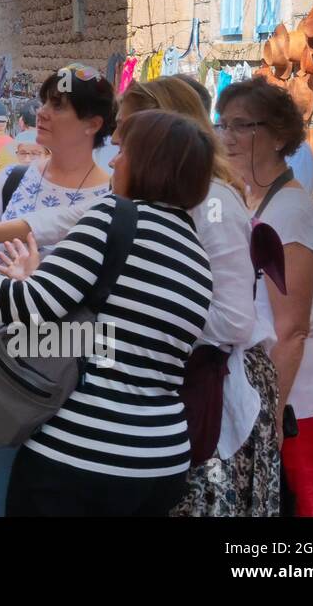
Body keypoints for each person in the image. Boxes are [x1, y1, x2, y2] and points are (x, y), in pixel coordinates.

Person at [0, 109, 217, 516]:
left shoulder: (115, 216)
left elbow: (25, 305)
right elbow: (116, 341)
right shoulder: (196, 253)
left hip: (84, 452)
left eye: (124, 152)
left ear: (151, 165)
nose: (115, 161)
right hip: (161, 460)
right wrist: (33, 280)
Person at [0, 65, 116, 516]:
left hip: (72, 372)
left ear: (93, 123)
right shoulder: (15, 179)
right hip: (4, 372)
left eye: (57, 105)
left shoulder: (113, 201)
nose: (41, 112)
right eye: (43, 101)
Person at [117, 77, 279, 516]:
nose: (115, 140)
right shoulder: (158, 201)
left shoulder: (214, 203)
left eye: (127, 130)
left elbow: (232, 320)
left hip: (212, 390)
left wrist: (143, 319)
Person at [217, 76, 313, 517]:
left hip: (289, 406)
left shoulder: (291, 214)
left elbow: (292, 331)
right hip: (250, 396)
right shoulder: (243, 199)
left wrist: (270, 419)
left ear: (280, 136)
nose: (228, 136)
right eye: (223, 124)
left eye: (243, 126)